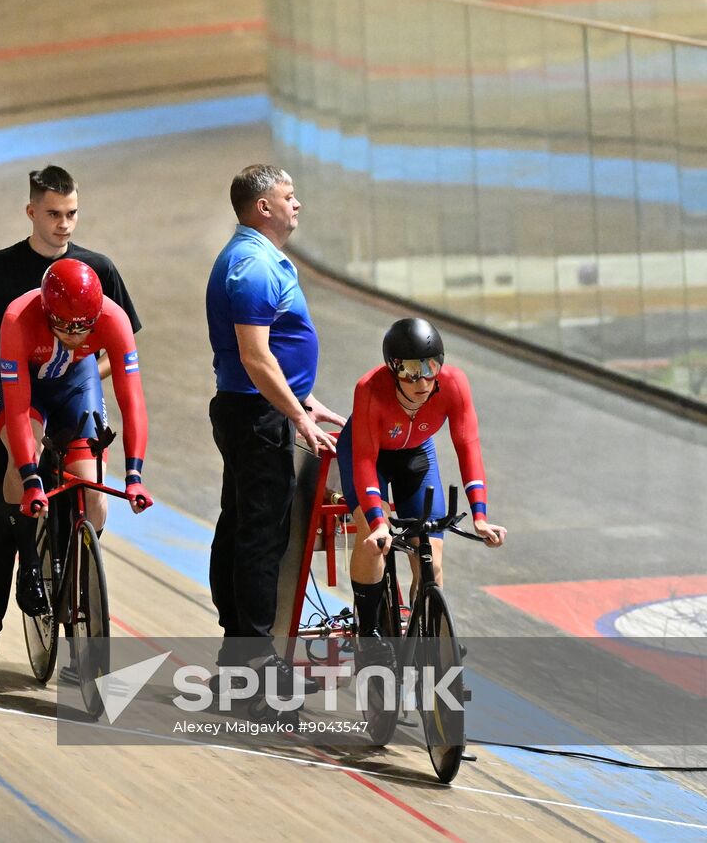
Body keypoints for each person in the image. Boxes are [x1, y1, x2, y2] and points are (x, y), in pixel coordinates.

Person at [0, 166, 141, 683]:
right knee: (2, 524)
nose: (64, 224)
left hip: (73, 392)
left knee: (91, 494)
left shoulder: (98, 269)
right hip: (15, 397)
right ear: (31, 211)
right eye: (53, 214)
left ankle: (77, 574)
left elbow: (121, 354)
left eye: (72, 213)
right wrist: (1, 377)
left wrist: (81, 372)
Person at [205, 164, 345, 680]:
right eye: (289, 196)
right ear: (263, 207)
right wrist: (292, 411)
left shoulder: (255, 258)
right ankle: (255, 668)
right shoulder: (252, 266)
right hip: (258, 416)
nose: (297, 203)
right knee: (261, 539)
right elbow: (256, 358)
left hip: (257, 410)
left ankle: (235, 658)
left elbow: (274, 358)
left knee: (243, 526)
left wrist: (305, 399)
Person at [338, 318, 507, 648]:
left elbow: (468, 447)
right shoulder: (370, 389)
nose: (423, 380)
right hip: (368, 456)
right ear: (393, 369)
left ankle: (427, 633)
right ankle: (369, 632)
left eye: (431, 367)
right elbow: (363, 463)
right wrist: (376, 522)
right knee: (374, 542)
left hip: (416, 457)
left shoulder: (454, 383)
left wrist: (481, 516)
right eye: (411, 371)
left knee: (431, 555)